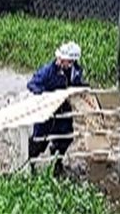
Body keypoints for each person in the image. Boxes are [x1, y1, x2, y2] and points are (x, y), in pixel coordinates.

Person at [27, 42, 88, 174]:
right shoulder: (48, 71)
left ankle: (57, 163)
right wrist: (47, 96)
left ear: (71, 61)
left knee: (66, 138)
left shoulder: (75, 71)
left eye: (64, 59)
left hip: (64, 112)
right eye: (60, 58)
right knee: (39, 141)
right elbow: (32, 84)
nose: (60, 60)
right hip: (47, 113)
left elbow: (77, 84)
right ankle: (29, 165)